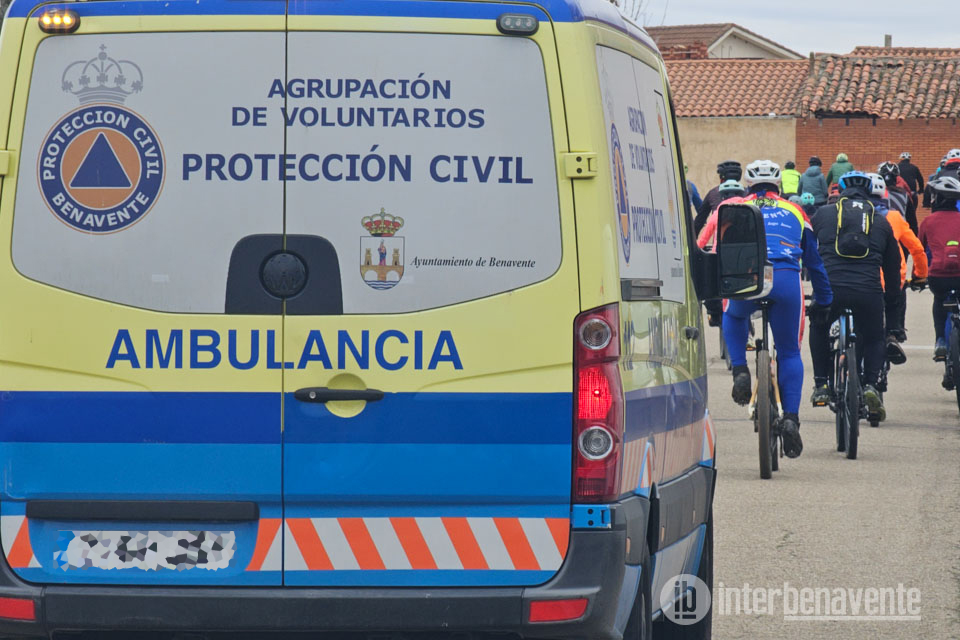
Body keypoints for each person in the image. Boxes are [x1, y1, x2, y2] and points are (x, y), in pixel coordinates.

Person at [724, 160, 833, 459]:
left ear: (748, 185)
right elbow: (814, 261)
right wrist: (824, 299)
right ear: (780, 186)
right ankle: (791, 419)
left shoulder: (735, 208)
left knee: (733, 314)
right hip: (785, 278)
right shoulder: (795, 210)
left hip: (748, 277)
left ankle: (740, 370)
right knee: (789, 352)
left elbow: (723, 253)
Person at [807, 171, 902, 422]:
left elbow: (807, 248)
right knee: (874, 337)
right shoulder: (881, 221)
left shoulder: (823, 214)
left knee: (819, 326)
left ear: (840, 191)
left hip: (831, 290)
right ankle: (870, 384)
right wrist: (892, 300)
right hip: (868, 292)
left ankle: (821, 384)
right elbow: (893, 267)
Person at [866, 172, 928, 361]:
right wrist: (920, 275)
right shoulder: (894, 217)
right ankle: (894, 332)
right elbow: (917, 248)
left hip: (862, 279)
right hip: (892, 278)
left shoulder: (852, 216)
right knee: (896, 296)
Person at [918, 176, 960, 381]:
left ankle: (941, 340)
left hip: (938, 276)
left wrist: (918, 277)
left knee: (939, 301)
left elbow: (920, 248)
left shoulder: (929, 221)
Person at [697, 179, 747, 327]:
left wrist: (695, 249)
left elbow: (704, 238)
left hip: (720, 259)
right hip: (743, 260)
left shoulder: (719, 211)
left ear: (723, 196)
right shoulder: (749, 209)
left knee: (710, 287)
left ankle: (714, 315)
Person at [880, 161, 922, 336]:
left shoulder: (875, 194)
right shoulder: (904, 195)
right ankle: (898, 327)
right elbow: (912, 222)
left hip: (878, 240)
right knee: (899, 281)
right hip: (900, 239)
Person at [695, 160, 741, 234]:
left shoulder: (713, 193)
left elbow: (700, 220)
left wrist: (694, 237)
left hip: (719, 239)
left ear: (721, 177)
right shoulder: (747, 193)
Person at [898, 152, 925, 233]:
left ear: (901, 159)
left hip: (900, 193)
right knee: (912, 213)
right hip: (912, 194)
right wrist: (921, 190)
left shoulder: (897, 167)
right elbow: (920, 179)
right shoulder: (914, 168)